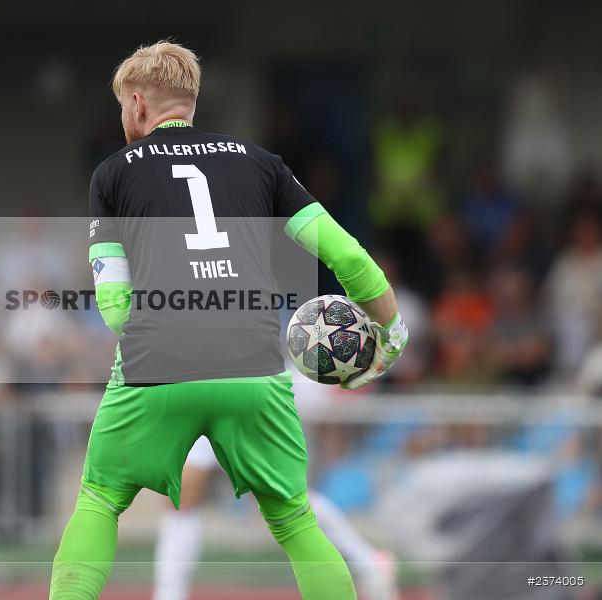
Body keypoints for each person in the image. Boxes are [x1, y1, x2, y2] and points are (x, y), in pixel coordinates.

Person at [48, 41, 408, 600]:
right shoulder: (261, 163)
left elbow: (115, 307)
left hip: (156, 366)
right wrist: (393, 331)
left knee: (99, 500)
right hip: (253, 365)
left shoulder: (112, 174)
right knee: (295, 520)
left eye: (122, 107)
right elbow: (348, 257)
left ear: (138, 104)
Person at [153, 436, 398, 600]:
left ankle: (368, 560)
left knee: (279, 496)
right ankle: (169, 594)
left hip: (239, 386)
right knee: (182, 495)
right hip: (193, 386)